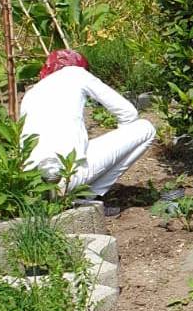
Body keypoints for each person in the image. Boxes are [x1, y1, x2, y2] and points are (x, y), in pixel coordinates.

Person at [21, 49, 156, 212]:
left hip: (33, 184)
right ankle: (89, 196)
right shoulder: (76, 74)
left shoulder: (31, 93)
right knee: (145, 128)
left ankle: (72, 194)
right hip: (67, 176)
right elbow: (128, 113)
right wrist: (119, 143)